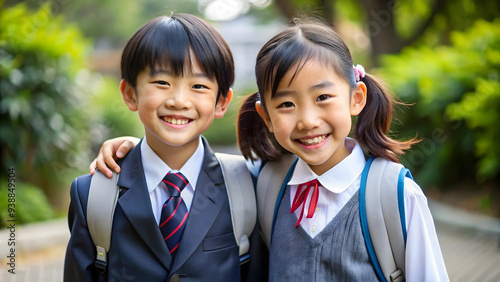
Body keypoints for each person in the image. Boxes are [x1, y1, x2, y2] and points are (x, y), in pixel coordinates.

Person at [91, 18, 449, 281]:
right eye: (287, 105)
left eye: (323, 97)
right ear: (264, 114)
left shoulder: (393, 196)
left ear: (356, 98)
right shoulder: (266, 185)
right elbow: (181, 167)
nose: (307, 120)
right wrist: (136, 151)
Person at [64, 13, 266, 282]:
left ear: (221, 102)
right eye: (162, 83)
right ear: (130, 94)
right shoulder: (92, 196)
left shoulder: (245, 188)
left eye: (198, 85)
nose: (179, 101)